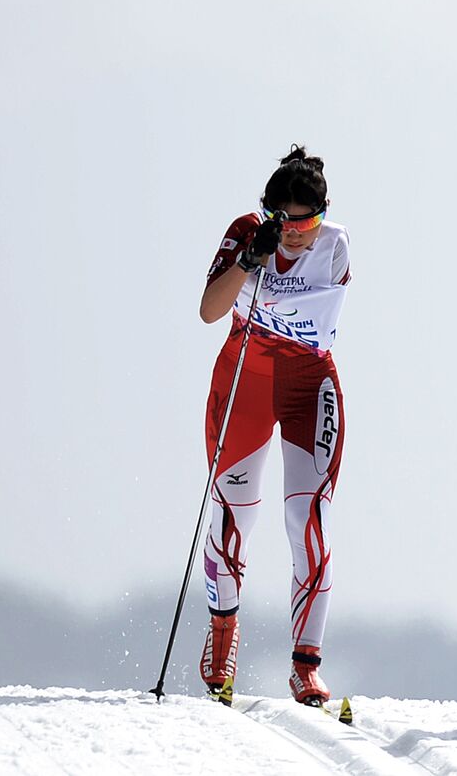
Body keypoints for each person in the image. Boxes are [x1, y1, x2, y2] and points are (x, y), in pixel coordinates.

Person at [196, 145, 352, 708]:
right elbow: (211, 311)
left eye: (305, 220)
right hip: (247, 376)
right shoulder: (247, 233)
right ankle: (222, 640)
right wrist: (245, 261)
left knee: (306, 520)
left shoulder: (335, 245)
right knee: (237, 514)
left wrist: (269, 276)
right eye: (281, 219)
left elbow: (304, 304)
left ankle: (306, 666)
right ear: (266, 213)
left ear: (322, 215)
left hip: (309, 383)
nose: (292, 233)